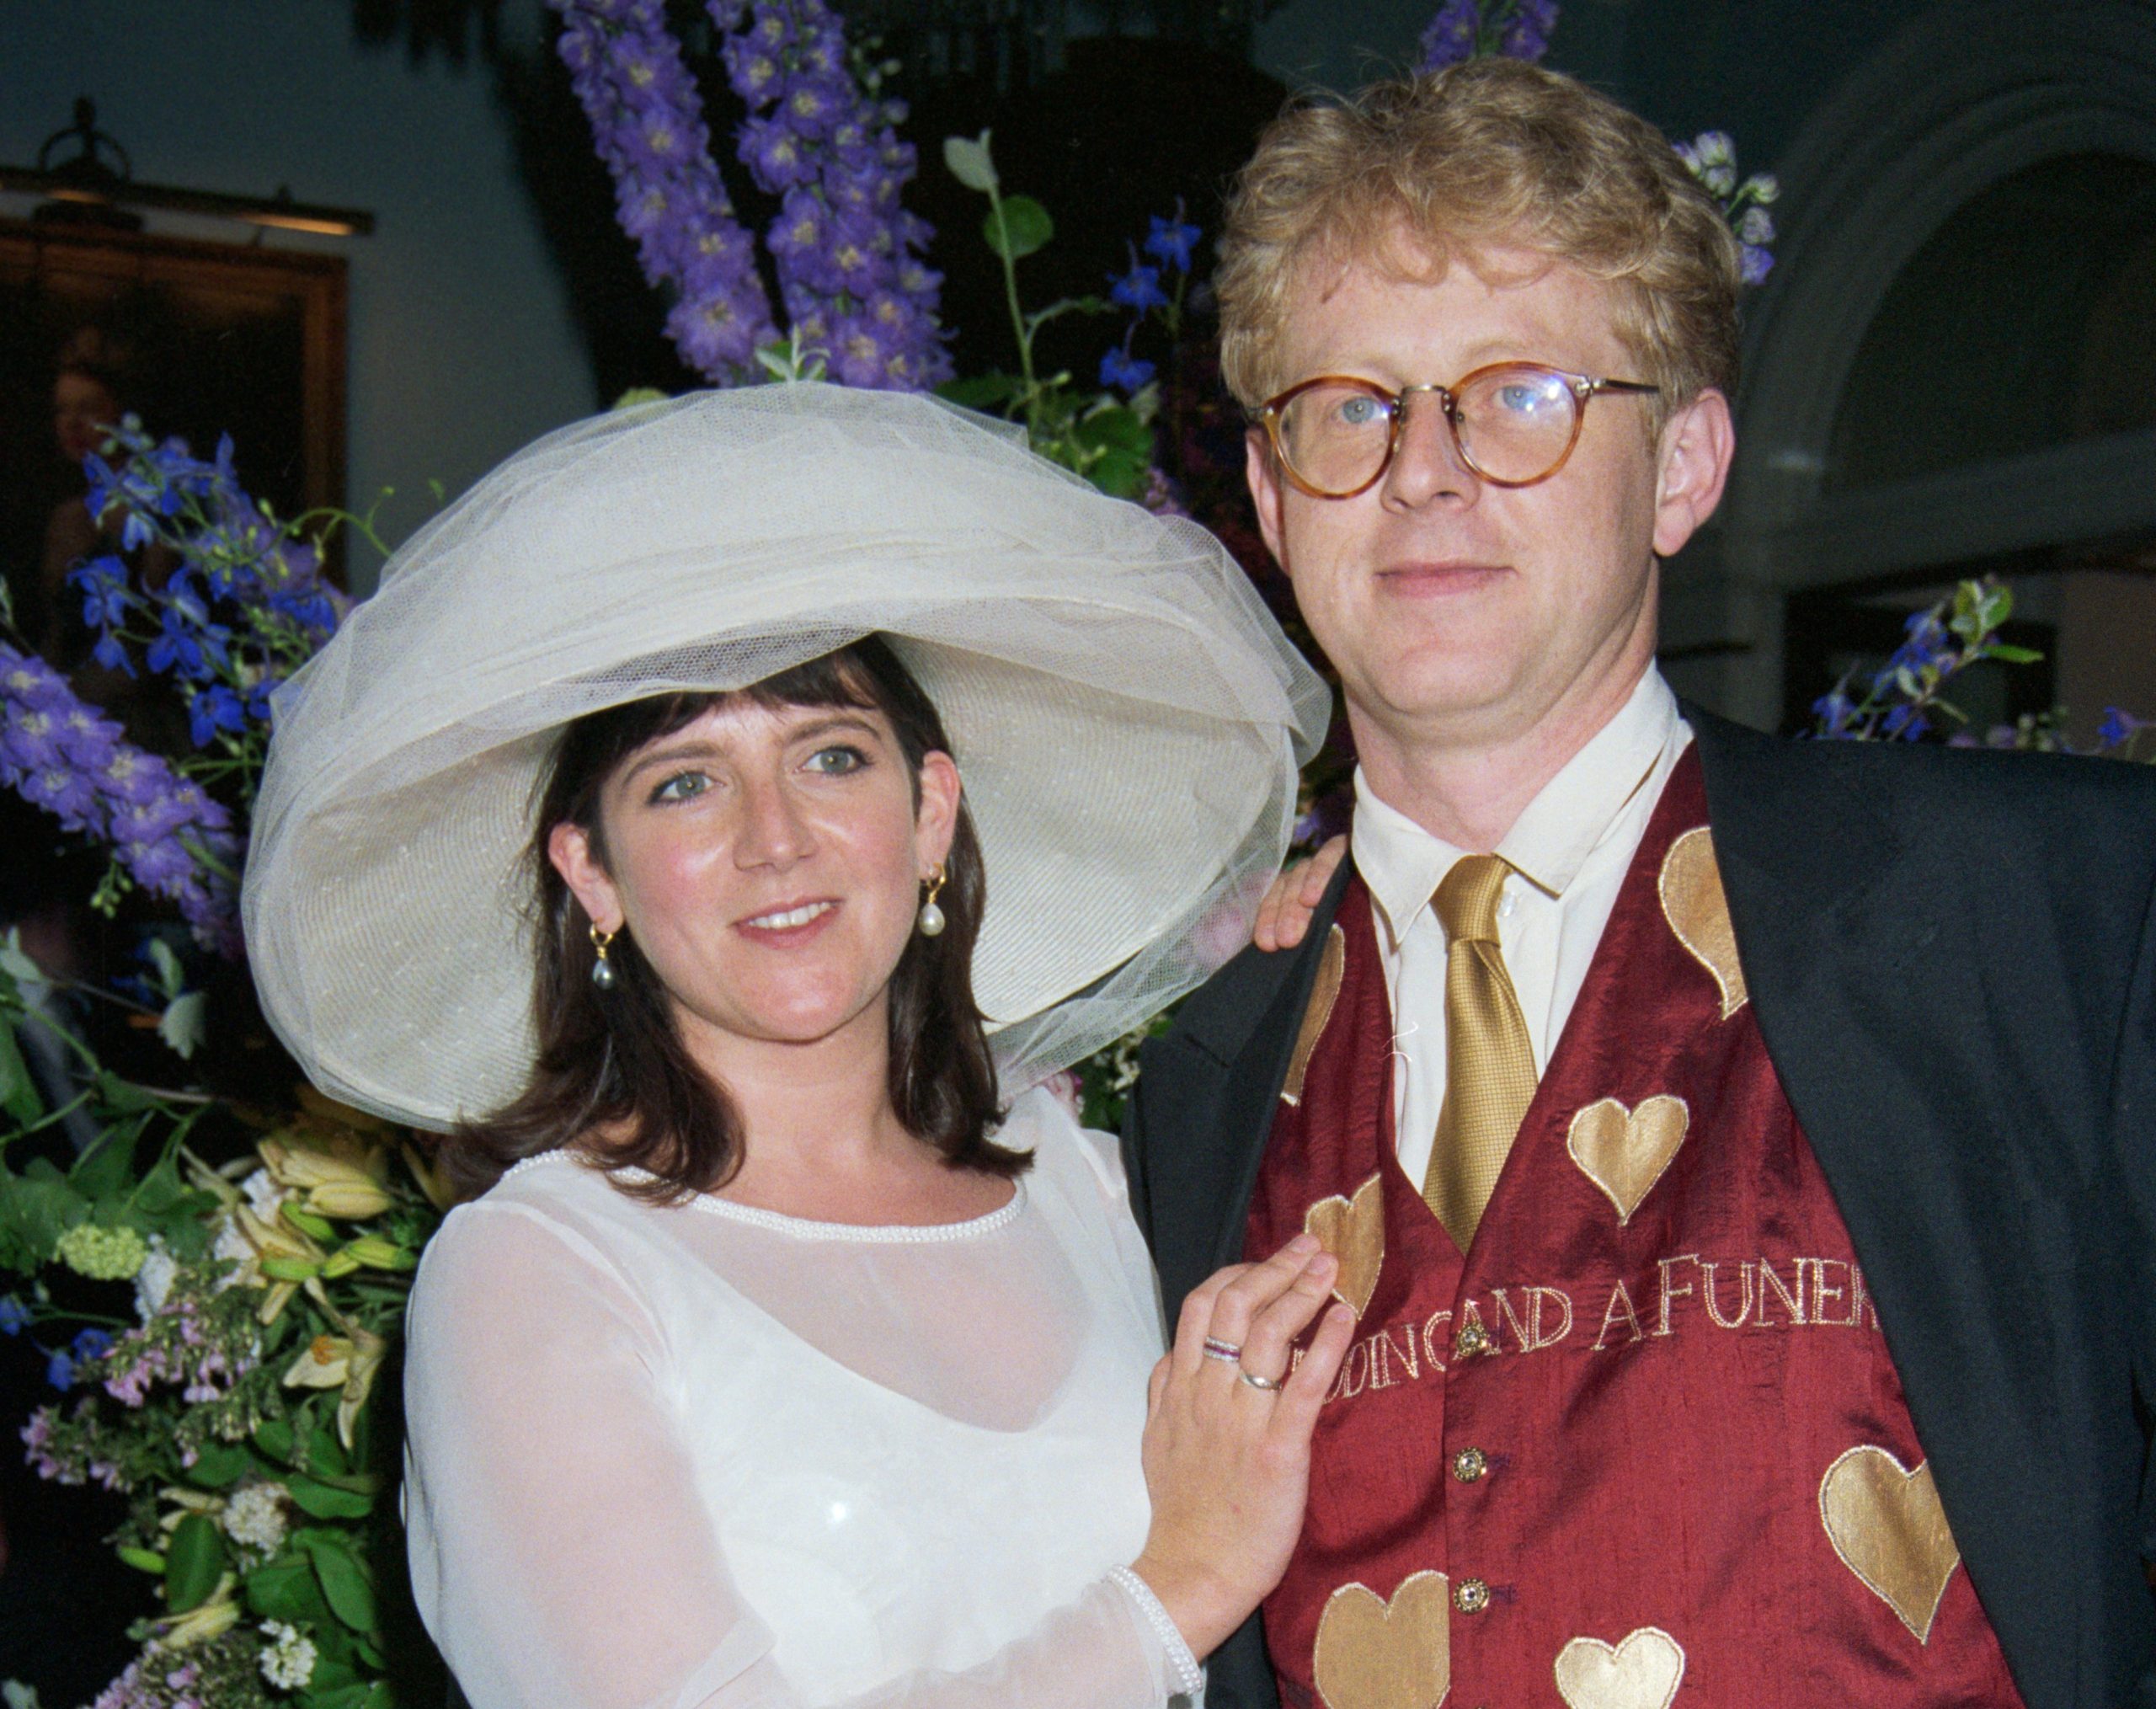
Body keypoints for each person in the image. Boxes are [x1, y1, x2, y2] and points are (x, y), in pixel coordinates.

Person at [1123, 56, 2156, 1709]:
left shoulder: (2048, 913)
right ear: (1265, 494)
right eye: (1348, 406)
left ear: (1681, 466)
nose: (1422, 472)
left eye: (1518, 392)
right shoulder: (1202, 1080)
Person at [242, 382, 1361, 1709]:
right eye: (686, 782)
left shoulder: (1099, 1191)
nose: (775, 838)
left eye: (831, 757)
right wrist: (1177, 1586)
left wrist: (1376, 937)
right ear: (590, 874)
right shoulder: (538, 1275)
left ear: (931, 811)